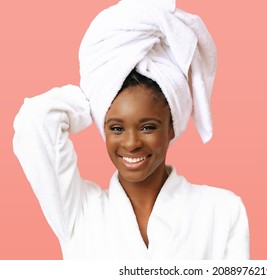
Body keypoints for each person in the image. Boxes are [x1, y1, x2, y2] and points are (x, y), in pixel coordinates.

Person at [13, 0, 249, 259]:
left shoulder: (222, 211)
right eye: (116, 128)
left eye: (148, 126)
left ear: (171, 127)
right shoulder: (78, 213)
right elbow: (35, 120)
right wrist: (92, 101)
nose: (131, 142)